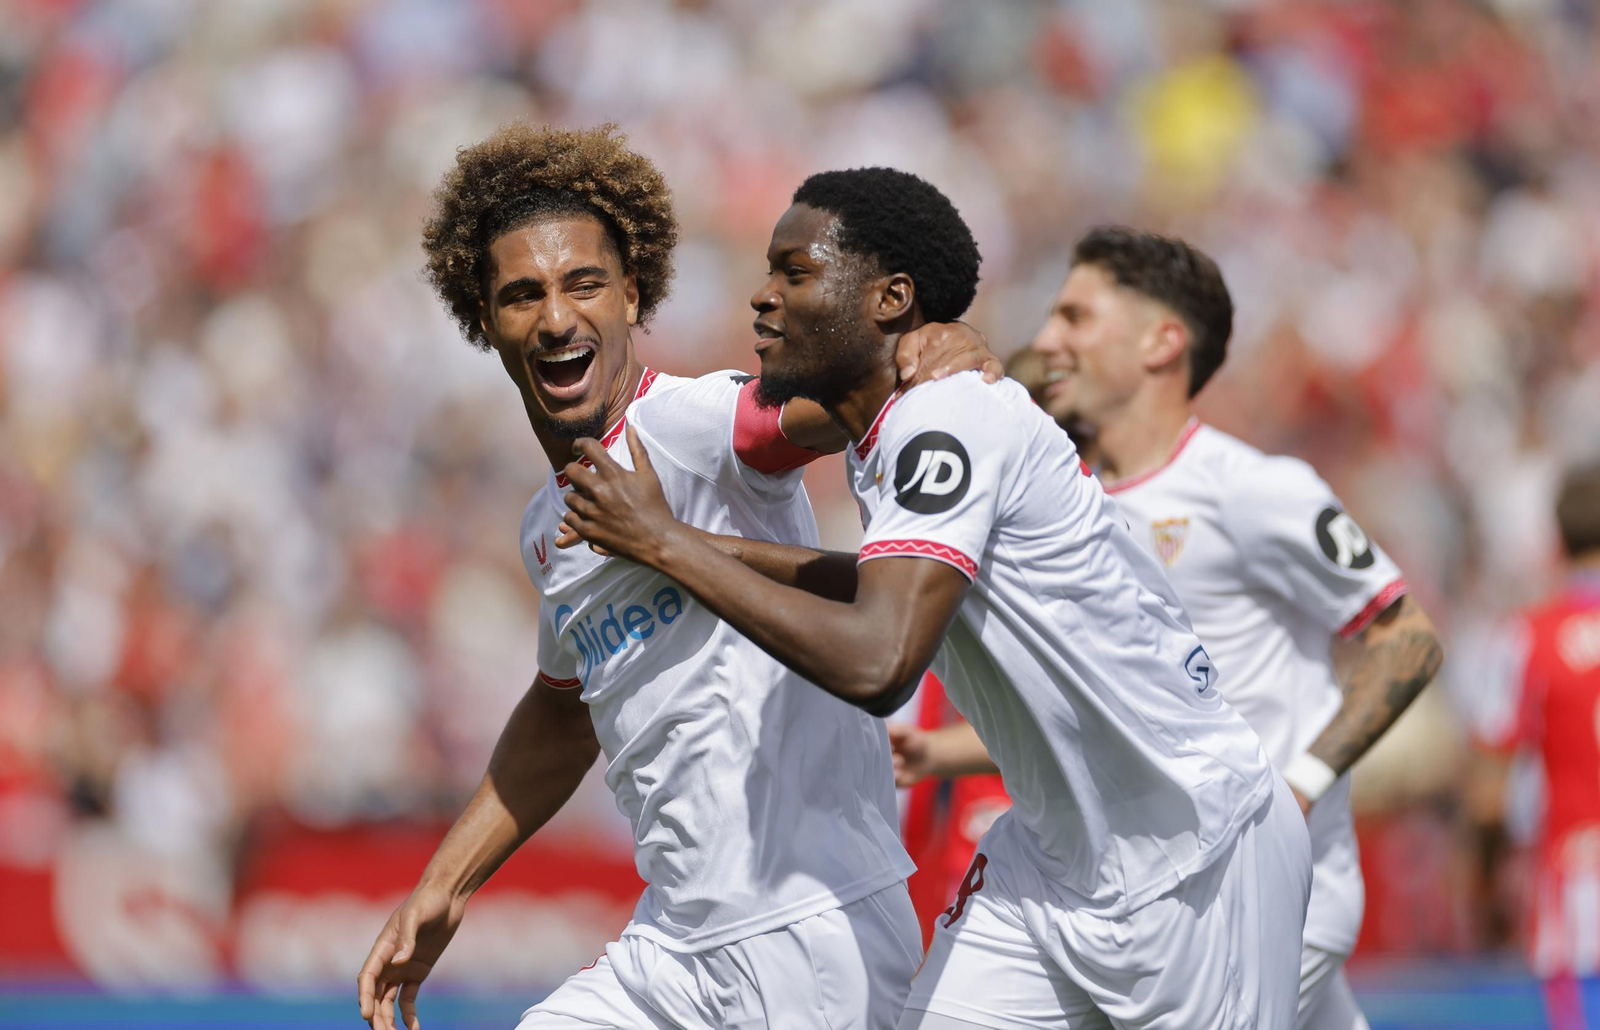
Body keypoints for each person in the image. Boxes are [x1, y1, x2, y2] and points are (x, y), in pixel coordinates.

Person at [560, 168, 1314, 1029]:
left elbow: (880, 660)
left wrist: (669, 543)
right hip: (1050, 868)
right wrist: (693, 548)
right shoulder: (882, 437)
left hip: (1199, 851)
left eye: (795, 272)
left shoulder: (946, 418)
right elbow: (891, 583)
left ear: (891, 299)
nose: (763, 299)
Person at [354, 124, 1000, 1030]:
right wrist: (444, 888)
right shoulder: (550, 525)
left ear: (631, 294)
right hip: (671, 947)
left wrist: (925, 357)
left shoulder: (694, 424)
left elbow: (829, 409)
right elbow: (562, 706)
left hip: (812, 931)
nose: (554, 318)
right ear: (484, 317)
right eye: (522, 295)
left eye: (583, 284)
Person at [892, 227, 1447, 1030]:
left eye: (1076, 317)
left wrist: (1301, 789)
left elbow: (1410, 639)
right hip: (1137, 887)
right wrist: (944, 753)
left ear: (1162, 341)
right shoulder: (1069, 503)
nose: (1049, 340)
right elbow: (1131, 707)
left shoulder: (1252, 490)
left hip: (1259, 882)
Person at [1477, 462, 1600, 1030]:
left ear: (1556, 542)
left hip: (1572, 878)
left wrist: (1486, 873)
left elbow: (1490, 783)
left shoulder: (1529, 636)